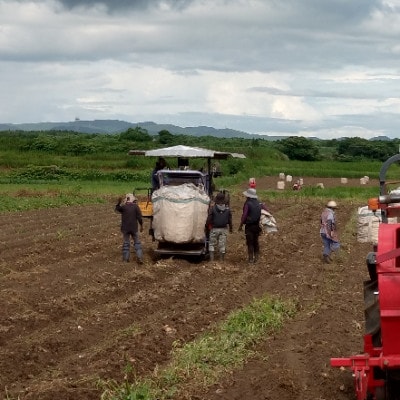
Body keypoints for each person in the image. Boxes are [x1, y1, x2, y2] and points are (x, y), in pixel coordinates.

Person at [238, 188, 269, 264]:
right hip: (257, 226)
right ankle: (257, 258)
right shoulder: (259, 203)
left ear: (248, 196)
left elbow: (244, 215)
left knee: (250, 242)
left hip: (249, 226)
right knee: (256, 241)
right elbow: (267, 211)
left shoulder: (247, 204)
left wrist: (241, 224)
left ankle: (251, 259)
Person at [115, 193, 144, 264]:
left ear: (126, 199)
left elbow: (117, 209)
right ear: (133, 200)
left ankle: (125, 259)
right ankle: (140, 257)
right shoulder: (136, 207)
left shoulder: (124, 207)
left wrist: (118, 203)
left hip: (125, 229)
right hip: (134, 228)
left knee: (126, 243)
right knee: (137, 243)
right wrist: (141, 226)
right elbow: (139, 218)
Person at [206, 192, 233, 262]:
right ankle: (222, 261)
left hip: (214, 229)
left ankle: (211, 261)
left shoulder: (213, 208)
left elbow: (209, 218)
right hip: (223, 229)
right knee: (222, 245)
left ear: (216, 200)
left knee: (212, 244)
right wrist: (231, 228)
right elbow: (230, 220)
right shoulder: (227, 209)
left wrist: (206, 226)